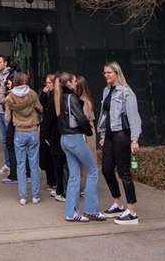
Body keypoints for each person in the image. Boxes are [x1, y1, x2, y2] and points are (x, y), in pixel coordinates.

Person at [98, 61, 142, 224]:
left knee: (124, 172)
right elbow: (104, 115)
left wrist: (134, 139)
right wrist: (102, 134)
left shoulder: (126, 93)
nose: (106, 75)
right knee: (106, 169)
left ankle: (132, 211)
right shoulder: (106, 91)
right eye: (105, 73)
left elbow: (133, 116)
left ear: (117, 73)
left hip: (121, 135)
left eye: (109, 72)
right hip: (109, 134)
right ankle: (117, 202)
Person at [57, 73, 105, 222]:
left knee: (74, 175)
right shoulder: (72, 98)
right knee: (92, 170)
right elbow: (80, 117)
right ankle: (91, 209)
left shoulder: (60, 97)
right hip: (75, 137)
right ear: (70, 83)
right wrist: (88, 130)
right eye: (74, 81)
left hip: (64, 138)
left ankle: (71, 212)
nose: (76, 83)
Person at [5, 72, 43, 205]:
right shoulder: (32, 94)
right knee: (34, 164)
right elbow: (39, 108)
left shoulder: (10, 97)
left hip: (19, 132)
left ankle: (23, 196)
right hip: (32, 130)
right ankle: (35, 195)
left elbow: (7, 117)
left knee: (20, 165)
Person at [0, 55, 17, 183]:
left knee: (10, 139)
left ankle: (14, 164)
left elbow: (14, 91)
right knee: (3, 140)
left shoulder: (12, 74)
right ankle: (8, 163)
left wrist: (0, 91)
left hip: (6, 110)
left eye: (0, 62)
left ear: (5, 63)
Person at [39, 73, 65, 200]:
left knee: (55, 157)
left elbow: (50, 116)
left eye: (49, 83)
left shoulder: (57, 97)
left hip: (54, 131)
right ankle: (52, 181)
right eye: (46, 83)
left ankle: (57, 183)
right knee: (47, 155)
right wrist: (43, 93)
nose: (47, 85)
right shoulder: (48, 95)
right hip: (48, 129)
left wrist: (46, 133)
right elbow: (41, 106)